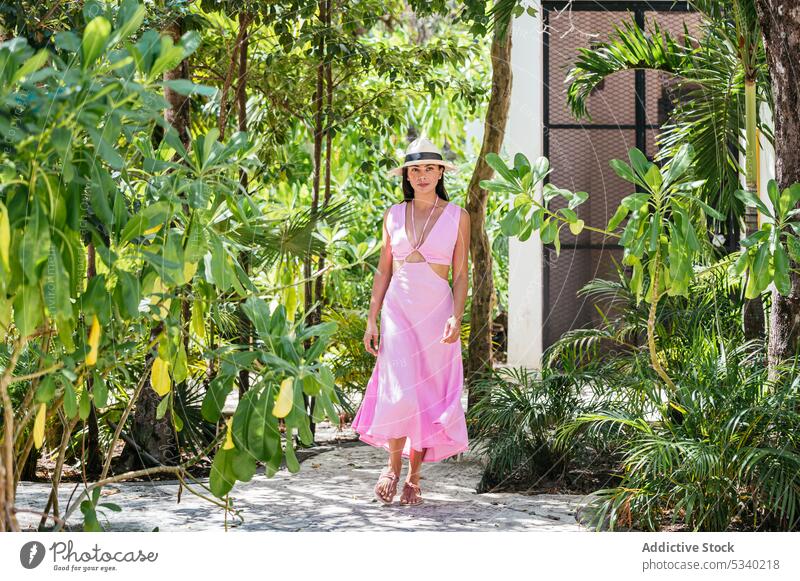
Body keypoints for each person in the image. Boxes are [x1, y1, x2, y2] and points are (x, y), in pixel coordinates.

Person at [351, 137, 471, 506]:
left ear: (440, 173)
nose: (422, 175)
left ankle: (415, 476)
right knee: (399, 388)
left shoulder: (458, 216)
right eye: (415, 169)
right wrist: (371, 319)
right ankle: (391, 465)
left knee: (426, 393)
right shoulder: (392, 214)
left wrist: (457, 316)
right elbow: (383, 270)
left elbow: (462, 274)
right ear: (407, 175)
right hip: (398, 309)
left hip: (436, 310)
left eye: (429, 168)